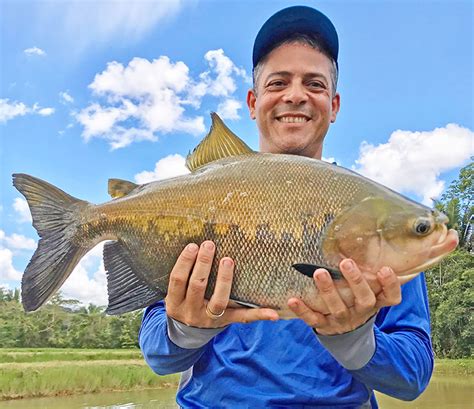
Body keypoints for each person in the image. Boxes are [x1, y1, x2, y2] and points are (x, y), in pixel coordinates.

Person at [139, 6, 433, 408]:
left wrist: (355, 340)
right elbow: (158, 355)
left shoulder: (381, 225)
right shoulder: (198, 208)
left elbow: (413, 376)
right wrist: (186, 329)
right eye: (278, 82)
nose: (295, 94)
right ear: (253, 102)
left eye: (314, 83)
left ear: (334, 105)